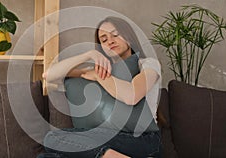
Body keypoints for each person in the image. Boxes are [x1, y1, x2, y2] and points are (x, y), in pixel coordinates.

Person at [39, 16, 161, 158]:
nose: (110, 41)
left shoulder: (148, 64)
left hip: (142, 140)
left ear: (129, 37)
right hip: (103, 137)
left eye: (115, 35)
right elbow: (49, 75)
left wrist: (98, 77)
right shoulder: (99, 70)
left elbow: (132, 95)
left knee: (53, 138)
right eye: (103, 39)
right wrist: (89, 55)